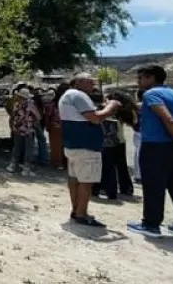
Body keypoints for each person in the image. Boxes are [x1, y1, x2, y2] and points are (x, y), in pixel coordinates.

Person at [128, 65, 173, 239]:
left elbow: (168, 118)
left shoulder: (151, 94)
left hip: (156, 146)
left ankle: (151, 224)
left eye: (141, 78)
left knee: (153, 186)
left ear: (151, 78)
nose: (139, 81)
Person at [59, 72, 120, 227]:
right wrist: (111, 107)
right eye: (90, 82)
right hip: (85, 145)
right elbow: (95, 118)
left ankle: (76, 209)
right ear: (79, 82)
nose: (93, 85)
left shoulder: (69, 95)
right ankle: (82, 213)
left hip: (73, 144)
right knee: (86, 181)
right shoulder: (78, 96)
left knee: (75, 179)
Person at [94, 91, 135, 200]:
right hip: (120, 140)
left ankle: (104, 188)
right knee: (121, 166)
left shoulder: (108, 110)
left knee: (107, 166)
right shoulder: (122, 111)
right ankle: (126, 189)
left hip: (109, 141)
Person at [6, 88, 39, 177]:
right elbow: (38, 117)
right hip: (28, 130)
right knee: (29, 149)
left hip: (17, 129)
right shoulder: (31, 106)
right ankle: (26, 168)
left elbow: (12, 116)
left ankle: (12, 165)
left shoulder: (16, 105)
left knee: (17, 147)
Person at [39, 87, 64, 169]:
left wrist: (47, 126)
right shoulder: (64, 105)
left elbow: (48, 117)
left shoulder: (51, 105)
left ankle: (57, 163)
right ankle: (63, 162)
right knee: (62, 145)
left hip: (54, 127)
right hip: (64, 126)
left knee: (55, 145)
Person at [32, 88, 49, 166]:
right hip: (37, 123)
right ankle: (43, 159)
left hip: (39, 123)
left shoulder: (41, 104)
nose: (42, 98)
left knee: (36, 140)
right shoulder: (35, 104)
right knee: (41, 139)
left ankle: (41, 158)